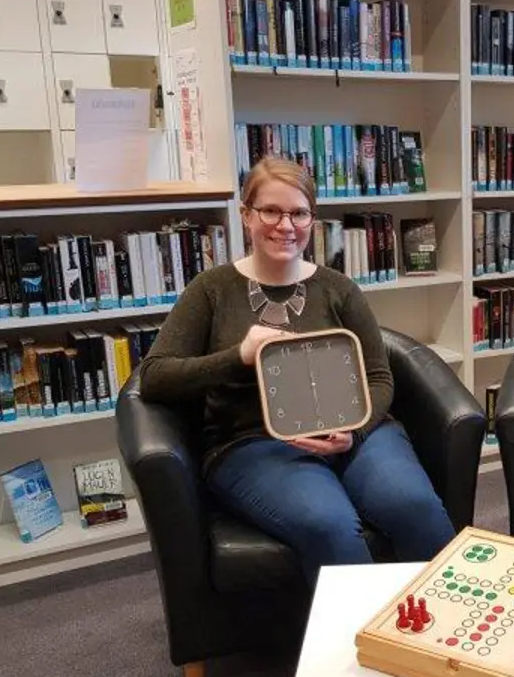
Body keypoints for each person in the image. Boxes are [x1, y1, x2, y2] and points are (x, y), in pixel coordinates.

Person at [136, 157, 455, 586]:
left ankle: (447, 637)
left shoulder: (339, 288)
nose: (285, 225)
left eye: (299, 213)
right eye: (271, 210)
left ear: (312, 220)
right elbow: (155, 377)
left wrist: (354, 432)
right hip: (254, 444)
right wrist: (239, 356)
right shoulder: (211, 290)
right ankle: (357, 650)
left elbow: (379, 378)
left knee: (414, 506)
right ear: (246, 215)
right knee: (328, 522)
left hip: (354, 434)